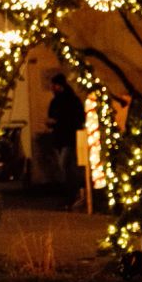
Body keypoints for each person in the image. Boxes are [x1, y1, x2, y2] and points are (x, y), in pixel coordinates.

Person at [47, 73, 86, 207]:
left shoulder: (65, 101)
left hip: (66, 138)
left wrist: (56, 123)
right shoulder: (71, 100)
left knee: (66, 167)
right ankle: (73, 194)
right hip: (65, 138)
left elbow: (73, 118)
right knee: (66, 167)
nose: (51, 88)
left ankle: (74, 194)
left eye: (53, 85)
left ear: (59, 86)